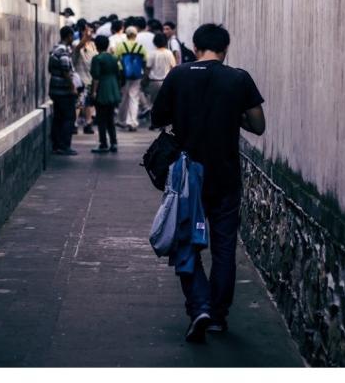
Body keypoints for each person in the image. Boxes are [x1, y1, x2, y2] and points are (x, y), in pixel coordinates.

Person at [151, 23, 266, 343]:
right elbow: (258, 125)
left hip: (188, 174)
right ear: (225, 48)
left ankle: (199, 305)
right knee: (225, 246)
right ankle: (218, 316)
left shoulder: (179, 75)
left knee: (186, 241)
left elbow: (158, 118)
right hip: (226, 174)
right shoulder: (238, 78)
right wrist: (234, 115)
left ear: (195, 47)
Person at [48, 25, 79, 155]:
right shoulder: (63, 52)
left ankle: (56, 144)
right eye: (72, 36)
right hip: (64, 91)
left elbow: (51, 69)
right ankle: (64, 145)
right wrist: (72, 88)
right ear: (69, 36)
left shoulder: (55, 49)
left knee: (58, 117)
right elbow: (66, 71)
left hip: (55, 89)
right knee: (69, 117)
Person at [89, 35, 121, 153]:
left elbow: (96, 78)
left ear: (96, 45)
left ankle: (103, 143)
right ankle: (114, 142)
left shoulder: (97, 59)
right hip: (113, 89)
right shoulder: (113, 58)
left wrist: (93, 92)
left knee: (101, 119)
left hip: (102, 90)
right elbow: (118, 74)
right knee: (110, 118)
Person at [114, 25, 147, 132]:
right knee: (134, 97)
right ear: (135, 35)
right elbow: (145, 61)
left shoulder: (121, 46)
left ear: (126, 35)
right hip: (137, 75)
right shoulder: (141, 47)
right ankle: (132, 122)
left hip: (124, 74)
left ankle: (121, 120)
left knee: (124, 97)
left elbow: (116, 59)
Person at [145, 32, 176, 127]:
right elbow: (173, 67)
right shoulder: (169, 53)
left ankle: (154, 122)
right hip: (166, 81)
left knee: (153, 103)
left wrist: (145, 79)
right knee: (166, 103)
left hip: (154, 81)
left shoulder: (152, 54)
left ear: (155, 42)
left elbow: (148, 68)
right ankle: (164, 122)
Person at [72, 20, 97, 134]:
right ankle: (74, 124)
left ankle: (88, 123)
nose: (90, 32)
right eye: (88, 29)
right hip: (80, 78)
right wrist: (85, 37)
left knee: (89, 103)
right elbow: (78, 48)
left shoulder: (92, 45)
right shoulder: (76, 43)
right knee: (78, 104)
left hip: (90, 78)